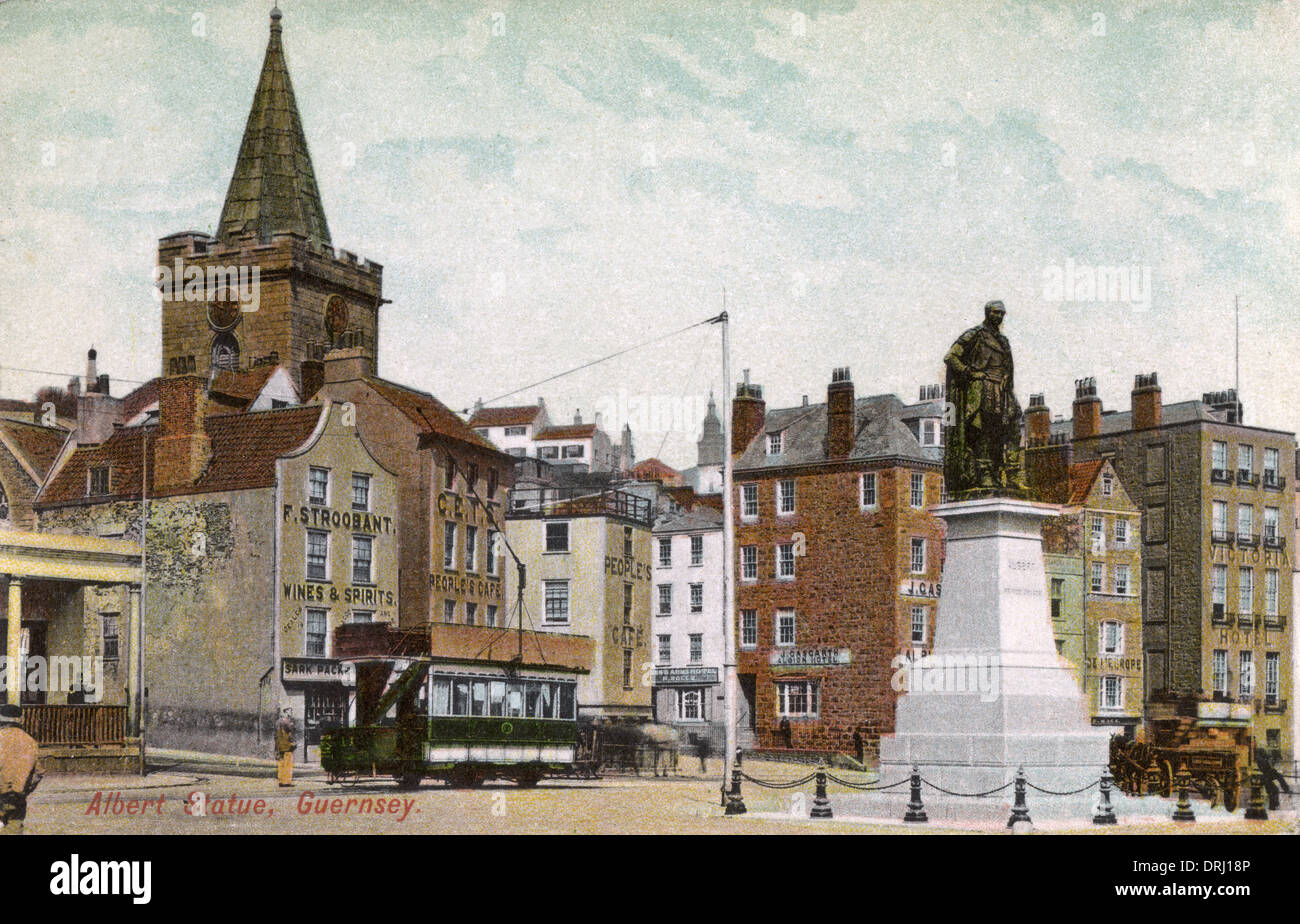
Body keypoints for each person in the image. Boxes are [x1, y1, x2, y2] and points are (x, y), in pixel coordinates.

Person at [0, 704, 42, 836]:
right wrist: (24, 789)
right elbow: (38, 773)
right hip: (17, 796)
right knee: (14, 827)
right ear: (20, 720)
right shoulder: (30, 741)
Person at [275, 709, 296, 787]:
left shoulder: (278, 722)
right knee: (288, 763)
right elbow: (290, 731)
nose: (291, 712)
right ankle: (286, 781)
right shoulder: (287, 721)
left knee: (281, 763)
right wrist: (292, 724)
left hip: (280, 745)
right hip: (287, 745)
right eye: (290, 711)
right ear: (286, 712)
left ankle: (281, 780)